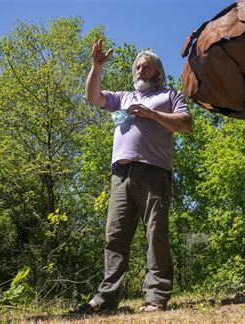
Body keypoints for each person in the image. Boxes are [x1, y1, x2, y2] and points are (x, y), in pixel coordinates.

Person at [75, 39, 192, 314]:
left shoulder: (171, 95)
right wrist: (97, 66)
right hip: (120, 174)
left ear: (158, 73)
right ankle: (106, 298)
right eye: (137, 67)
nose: (140, 70)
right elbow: (93, 97)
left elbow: (186, 124)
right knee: (114, 236)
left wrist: (151, 114)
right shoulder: (124, 97)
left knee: (155, 233)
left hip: (153, 171)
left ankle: (156, 295)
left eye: (146, 66)